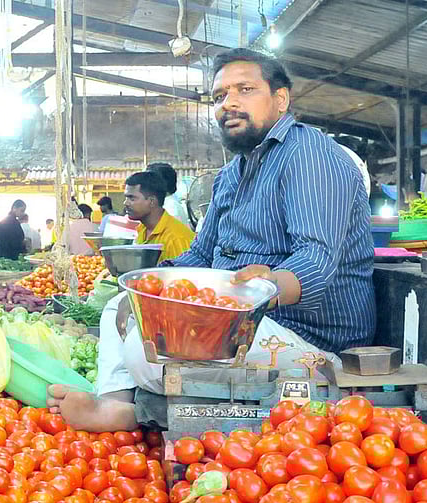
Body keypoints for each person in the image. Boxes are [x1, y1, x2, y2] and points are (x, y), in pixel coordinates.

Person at [49, 48, 375, 433]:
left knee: (144, 351)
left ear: (281, 99)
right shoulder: (232, 174)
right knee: (119, 305)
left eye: (245, 89)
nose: (229, 103)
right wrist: (146, 288)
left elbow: (316, 260)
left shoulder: (311, 156)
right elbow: (202, 254)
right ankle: (115, 404)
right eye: (220, 96)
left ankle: (133, 408)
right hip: (238, 318)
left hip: (308, 339)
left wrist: (263, 289)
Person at [124, 170, 196, 261]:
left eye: (132, 198)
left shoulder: (176, 238)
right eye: (126, 198)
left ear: (152, 201)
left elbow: (182, 274)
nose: (126, 203)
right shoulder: (143, 229)